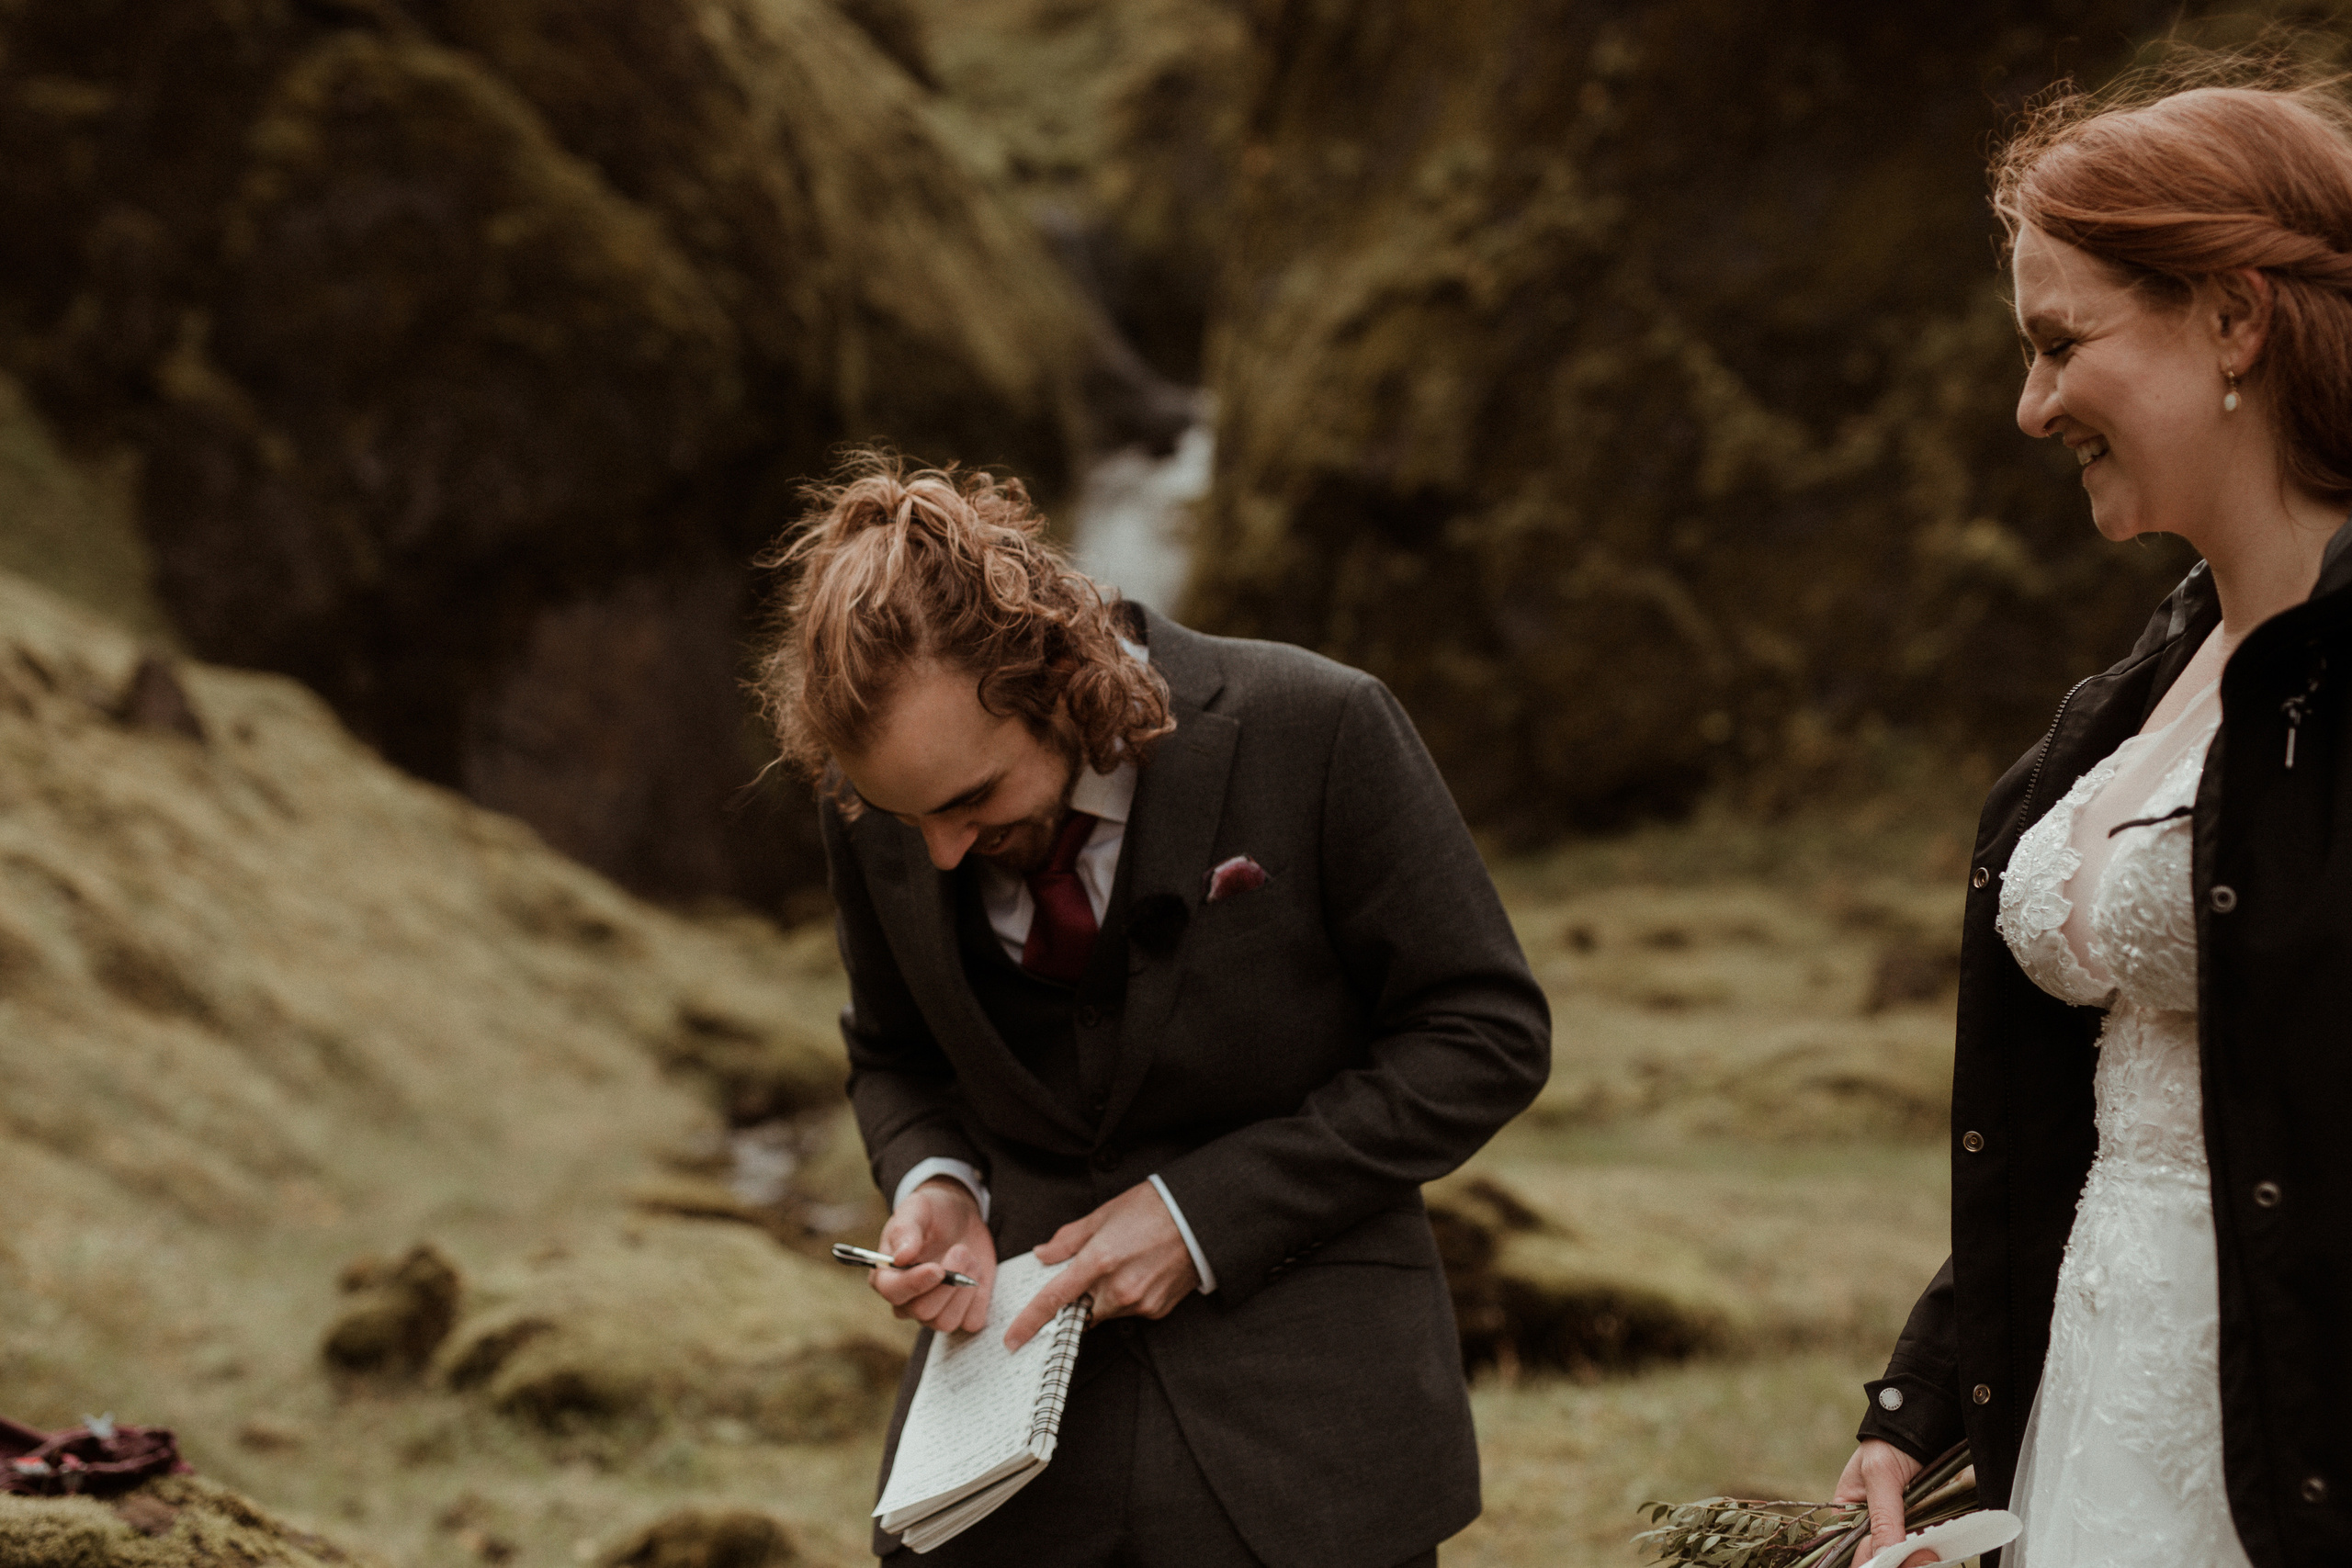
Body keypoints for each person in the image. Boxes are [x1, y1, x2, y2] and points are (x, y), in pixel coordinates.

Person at [753, 455, 1551, 1568]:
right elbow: (894, 1055)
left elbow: (1483, 1035)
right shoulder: (883, 810)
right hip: (1001, 1479)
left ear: (1055, 676)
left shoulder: (1322, 726)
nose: (935, 849)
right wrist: (936, 1184)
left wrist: (1200, 1217)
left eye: (973, 801)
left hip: (1312, 1457)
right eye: (906, 817)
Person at [1833, 76, 2352, 1568]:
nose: (2033, 405)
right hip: (2093, 1392)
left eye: (2063, 344)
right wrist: (1924, 1391)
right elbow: (2103, 1107)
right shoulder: (2139, 688)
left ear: (2235, 320)